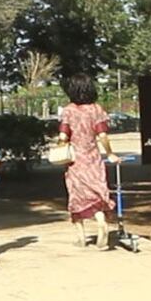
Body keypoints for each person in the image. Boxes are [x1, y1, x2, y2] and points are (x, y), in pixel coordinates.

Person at [58, 74, 120, 249]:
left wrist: (61, 146)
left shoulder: (68, 110)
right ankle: (101, 222)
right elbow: (102, 135)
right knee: (96, 193)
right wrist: (110, 154)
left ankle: (82, 237)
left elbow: (63, 136)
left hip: (75, 161)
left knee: (77, 196)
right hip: (93, 159)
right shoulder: (96, 109)